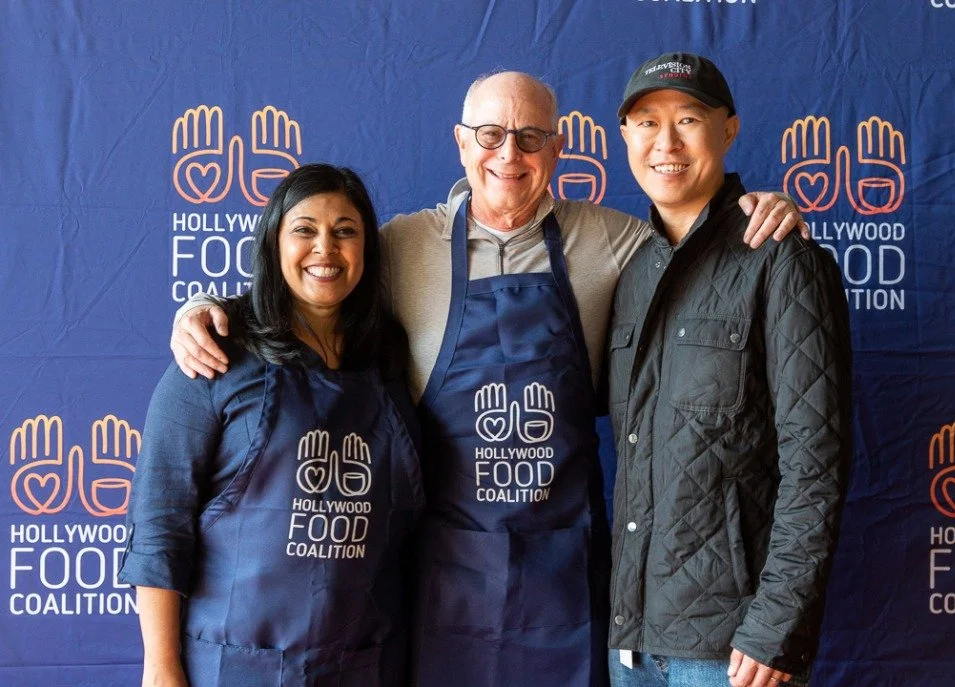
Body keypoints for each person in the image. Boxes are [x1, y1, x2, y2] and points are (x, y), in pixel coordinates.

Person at [170, 72, 806, 687]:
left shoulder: (615, 241)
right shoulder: (401, 246)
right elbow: (311, 282)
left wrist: (753, 208)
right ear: (461, 142)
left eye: (531, 137)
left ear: (557, 148)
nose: (510, 153)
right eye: (490, 134)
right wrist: (206, 311)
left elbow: (696, 243)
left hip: (567, 581)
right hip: (445, 583)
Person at [119, 164, 424, 687]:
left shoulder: (391, 358)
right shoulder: (216, 354)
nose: (325, 248)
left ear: (367, 250)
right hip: (236, 665)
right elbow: (159, 525)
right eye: (304, 230)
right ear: (273, 243)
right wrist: (161, 668)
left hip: (365, 663)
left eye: (345, 231)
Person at [606, 53, 852, 687]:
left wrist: (777, 627)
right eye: (647, 123)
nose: (666, 143)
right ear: (624, 136)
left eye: (689, 119)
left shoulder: (778, 257)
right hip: (631, 646)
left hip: (731, 653)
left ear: (729, 130)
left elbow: (816, 461)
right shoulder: (631, 272)